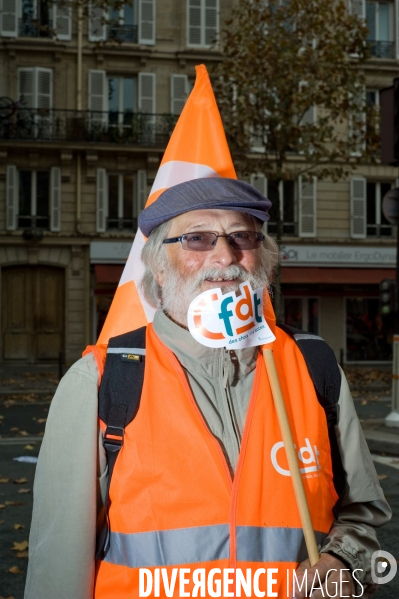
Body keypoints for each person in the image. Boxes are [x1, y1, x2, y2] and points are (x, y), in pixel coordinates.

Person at [25, 178, 391, 599]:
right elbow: (58, 568)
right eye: (197, 238)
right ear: (159, 267)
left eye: (242, 237)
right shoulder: (100, 379)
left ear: (264, 261)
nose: (225, 256)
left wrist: (343, 560)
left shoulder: (313, 363)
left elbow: (362, 512)